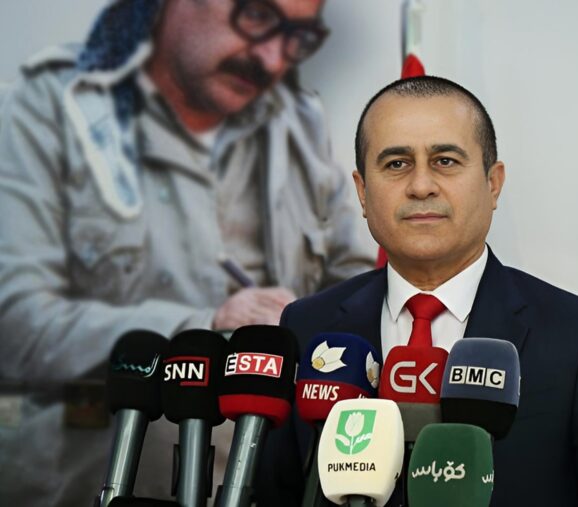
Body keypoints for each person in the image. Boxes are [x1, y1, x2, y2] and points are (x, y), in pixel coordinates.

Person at [0, 0, 374, 504]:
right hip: (92, 482)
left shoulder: (302, 123)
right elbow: (15, 322)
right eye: (257, 17)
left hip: (267, 483)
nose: (272, 59)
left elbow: (356, 292)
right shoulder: (49, 106)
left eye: (298, 36)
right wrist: (205, 326)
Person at [274, 76, 578, 505]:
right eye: (397, 164)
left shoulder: (576, 336)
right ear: (363, 192)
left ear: (493, 183)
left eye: (445, 161)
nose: (421, 186)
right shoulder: (308, 326)